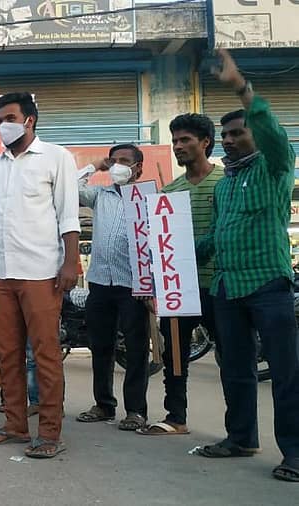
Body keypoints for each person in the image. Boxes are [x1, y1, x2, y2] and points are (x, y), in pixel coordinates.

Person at [193, 49, 299, 483]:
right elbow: (217, 237)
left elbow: (274, 132)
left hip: (269, 285)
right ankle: (241, 438)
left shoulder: (275, 168)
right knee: (234, 370)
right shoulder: (227, 184)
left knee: (286, 375)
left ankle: (294, 453)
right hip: (227, 288)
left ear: (255, 133)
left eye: (239, 132)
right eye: (226, 134)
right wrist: (174, 258)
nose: (231, 139)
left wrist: (241, 87)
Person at [0, 92, 80, 459]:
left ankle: (49, 433)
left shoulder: (57, 158)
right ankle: (14, 424)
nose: (3, 126)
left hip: (41, 273)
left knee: (44, 354)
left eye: (9, 117)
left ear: (30, 120)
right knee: (7, 354)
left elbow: (68, 216)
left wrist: (70, 263)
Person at [137, 114, 223, 436]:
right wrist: (155, 286)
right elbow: (158, 244)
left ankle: (238, 429)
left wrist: (188, 252)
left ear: (205, 142)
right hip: (178, 289)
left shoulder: (225, 183)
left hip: (217, 285)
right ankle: (176, 417)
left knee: (230, 357)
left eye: (185, 140)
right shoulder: (169, 192)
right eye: (174, 141)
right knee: (174, 356)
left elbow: (222, 234)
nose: (178, 146)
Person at [74, 144, 150, 431]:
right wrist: (97, 165)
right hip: (100, 281)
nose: (118, 165)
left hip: (133, 284)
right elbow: (70, 187)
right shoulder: (99, 195)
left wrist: (152, 284)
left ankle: (136, 411)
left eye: (124, 161)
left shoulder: (148, 198)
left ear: (138, 168)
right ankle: (104, 404)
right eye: (114, 160)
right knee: (100, 346)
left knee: (135, 349)